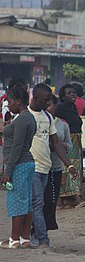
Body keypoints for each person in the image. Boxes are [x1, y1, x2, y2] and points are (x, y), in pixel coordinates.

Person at [29, 83, 78, 248]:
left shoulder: (49, 119)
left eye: (50, 101)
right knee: (37, 203)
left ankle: (35, 234)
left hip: (48, 167)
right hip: (31, 167)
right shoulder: (25, 117)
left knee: (45, 203)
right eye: (45, 100)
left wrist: (69, 165)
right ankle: (42, 239)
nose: (47, 104)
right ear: (35, 98)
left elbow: (57, 143)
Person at [0, 83, 36, 249]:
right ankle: (24, 237)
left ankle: (14, 239)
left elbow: (17, 146)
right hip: (26, 163)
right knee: (26, 201)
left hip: (19, 163)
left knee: (17, 201)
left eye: (10, 101)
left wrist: (8, 171)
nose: (8, 104)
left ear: (19, 101)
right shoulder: (28, 118)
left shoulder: (22, 119)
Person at [45, 95, 72, 231]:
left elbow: (70, 144)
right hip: (41, 166)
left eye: (50, 105)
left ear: (55, 106)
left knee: (53, 198)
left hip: (56, 165)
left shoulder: (63, 124)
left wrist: (63, 146)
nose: (47, 108)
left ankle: (49, 223)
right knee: (41, 198)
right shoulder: (39, 121)